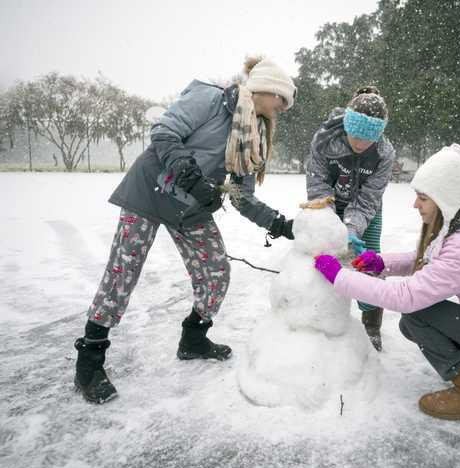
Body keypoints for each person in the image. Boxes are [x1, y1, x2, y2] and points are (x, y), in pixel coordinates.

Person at [73, 56, 297, 404]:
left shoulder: (252, 136)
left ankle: (193, 338)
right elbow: (164, 131)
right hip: (150, 190)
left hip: (190, 208)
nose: (283, 108)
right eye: (281, 99)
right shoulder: (210, 98)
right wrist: (190, 175)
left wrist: (281, 225)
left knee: (216, 272)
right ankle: (90, 361)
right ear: (265, 88)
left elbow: (242, 197)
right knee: (122, 274)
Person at [313, 144, 460, 420]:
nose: (415, 205)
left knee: (416, 314)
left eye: (423, 198)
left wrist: (338, 277)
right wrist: (381, 263)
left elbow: (406, 297)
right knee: (412, 323)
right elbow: (424, 257)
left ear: (444, 198)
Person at [306, 86, 395, 351]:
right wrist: (330, 223)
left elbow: (369, 198)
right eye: (354, 135)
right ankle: (321, 313)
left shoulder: (384, 154)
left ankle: (371, 323)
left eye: (366, 139)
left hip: (367, 209)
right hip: (328, 204)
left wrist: (353, 227)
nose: (359, 144)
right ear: (347, 124)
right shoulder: (324, 141)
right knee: (325, 254)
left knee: (368, 260)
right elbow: (318, 184)